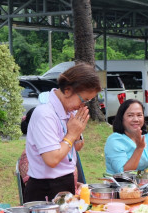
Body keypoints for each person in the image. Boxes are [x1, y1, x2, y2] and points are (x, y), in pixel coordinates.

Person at [24, 63, 102, 202]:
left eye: (88, 101)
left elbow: (76, 147)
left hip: (66, 181)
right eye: (83, 99)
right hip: (45, 188)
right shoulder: (45, 114)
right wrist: (71, 134)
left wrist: (77, 132)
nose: (83, 105)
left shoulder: (69, 111)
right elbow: (52, 159)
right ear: (67, 90)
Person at [104, 99, 148, 174]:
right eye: (130, 115)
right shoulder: (115, 140)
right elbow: (123, 172)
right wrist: (139, 148)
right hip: (119, 184)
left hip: (142, 182)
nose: (136, 119)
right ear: (121, 118)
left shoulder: (143, 136)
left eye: (139, 115)